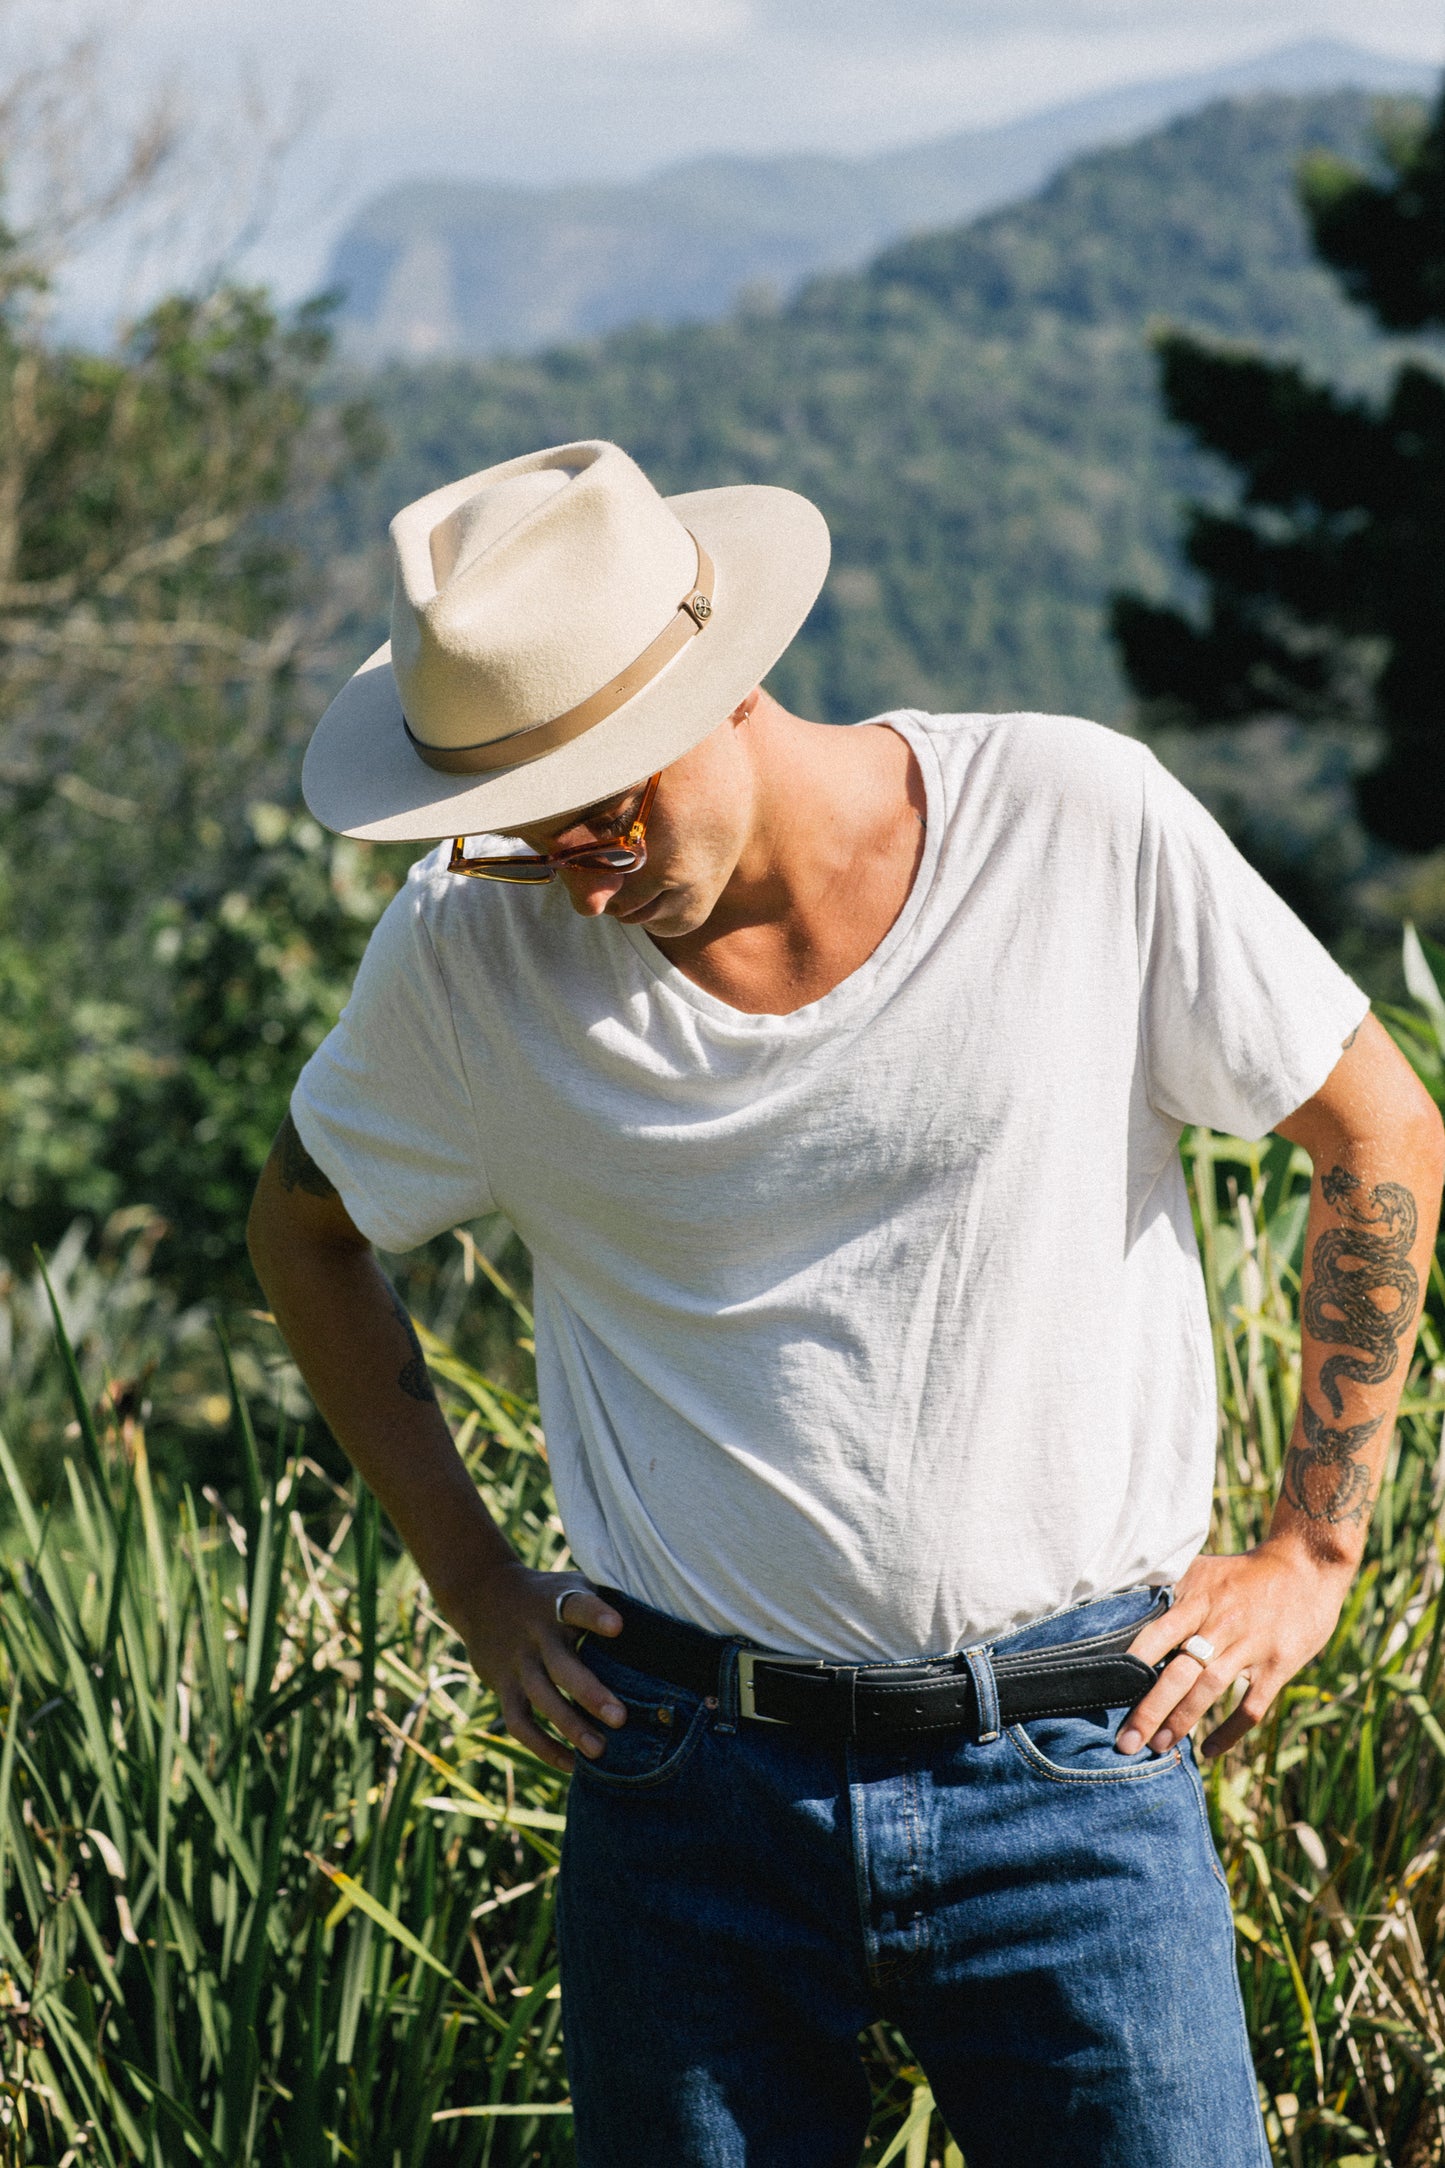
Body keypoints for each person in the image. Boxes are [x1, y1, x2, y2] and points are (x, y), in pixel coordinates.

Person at [247, 439, 1444, 2168]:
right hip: (683, 1792)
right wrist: (474, 1585)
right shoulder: (463, 954)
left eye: (605, 815)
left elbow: (1377, 1126)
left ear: (722, 687)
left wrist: (1312, 1551)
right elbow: (303, 1235)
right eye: (522, 841)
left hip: (1073, 1763)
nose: (582, 883)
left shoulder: (1067, 824)